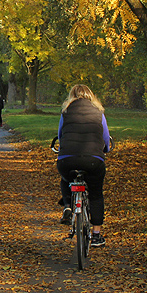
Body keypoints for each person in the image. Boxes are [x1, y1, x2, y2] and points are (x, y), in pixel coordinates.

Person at [56, 84, 112, 246]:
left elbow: (61, 134)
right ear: (91, 95)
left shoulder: (65, 112)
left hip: (67, 158)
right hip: (93, 159)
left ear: (71, 96)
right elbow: (105, 136)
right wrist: (106, 148)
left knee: (66, 178)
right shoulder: (99, 112)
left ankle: (67, 206)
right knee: (95, 194)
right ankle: (96, 235)